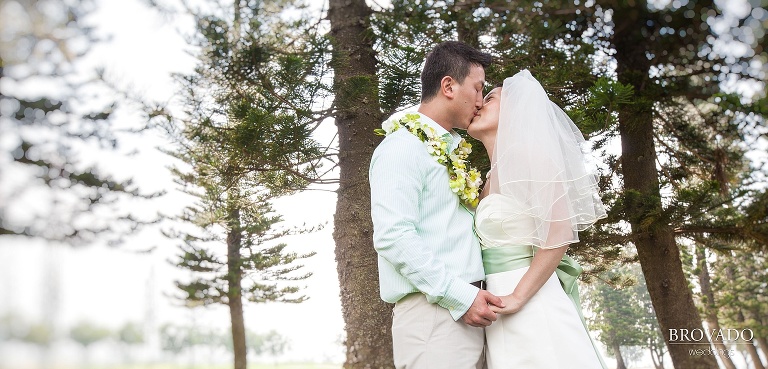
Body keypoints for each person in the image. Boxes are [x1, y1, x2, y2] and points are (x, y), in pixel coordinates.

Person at [369, 41, 504, 369]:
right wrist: (460, 296)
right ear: (448, 86)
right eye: (477, 88)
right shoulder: (401, 149)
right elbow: (394, 237)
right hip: (434, 316)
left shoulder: (451, 151)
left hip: (472, 312)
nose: (479, 99)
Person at [467, 69, 609, 369]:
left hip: (531, 302)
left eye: (489, 98)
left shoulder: (529, 157)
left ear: (516, 113)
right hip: (496, 306)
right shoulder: (489, 177)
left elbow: (560, 232)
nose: (479, 104)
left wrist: (518, 297)